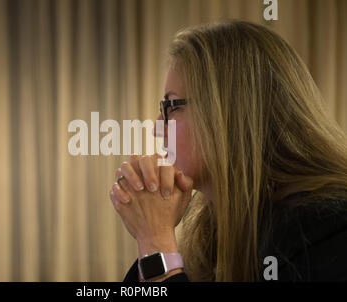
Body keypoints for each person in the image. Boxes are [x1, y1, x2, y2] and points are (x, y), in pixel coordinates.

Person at [109, 21, 347, 282]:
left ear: (232, 113)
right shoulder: (211, 228)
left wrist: (155, 242)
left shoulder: (331, 229)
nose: (156, 127)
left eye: (172, 106)